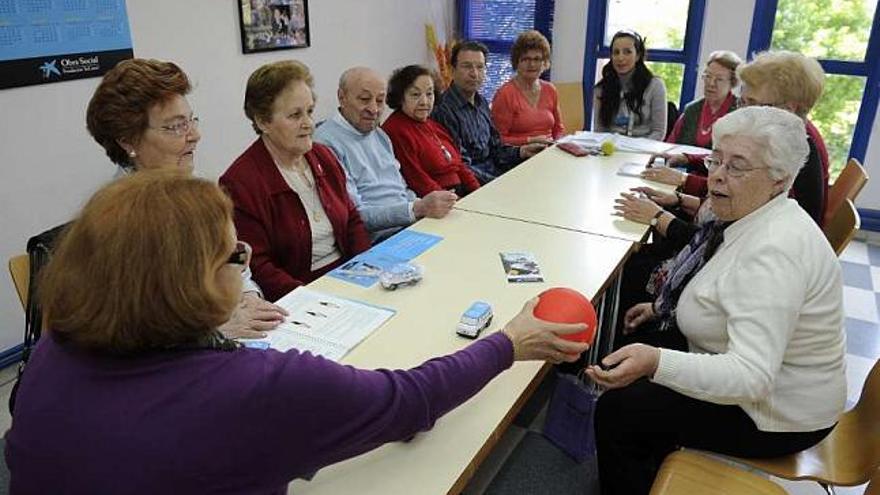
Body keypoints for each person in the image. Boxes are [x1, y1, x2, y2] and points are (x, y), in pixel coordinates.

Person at [5, 170, 592, 493]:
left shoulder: (54, 352)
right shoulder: (256, 387)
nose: (244, 257)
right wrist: (509, 343)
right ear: (191, 288)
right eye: (232, 255)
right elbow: (410, 400)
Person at [588, 107, 845, 495]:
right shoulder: (755, 215)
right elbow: (720, 286)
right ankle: (649, 461)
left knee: (619, 410)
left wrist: (657, 362)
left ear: (780, 180)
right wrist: (661, 311)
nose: (718, 176)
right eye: (716, 159)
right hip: (763, 380)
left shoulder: (775, 250)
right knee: (639, 347)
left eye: (738, 167)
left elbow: (752, 378)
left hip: (778, 414)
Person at [85, 58, 287, 339]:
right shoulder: (117, 222)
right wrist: (214, 331)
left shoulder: (195, 193)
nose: (195, 135)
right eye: (176, 126)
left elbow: (235, 264)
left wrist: (250, 296)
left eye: (191, 120)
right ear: (128, 141)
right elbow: (130, 326)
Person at [220, 60, 371, 302]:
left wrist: (367, 270)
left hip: (349, 280)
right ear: (262, 122)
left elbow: (352, 220)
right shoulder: (240, 182)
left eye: (310, 111)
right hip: (298, 299)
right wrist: (313, 299)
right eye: (295, 115)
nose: (308, 124)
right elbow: (257, 265)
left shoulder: (323, 155)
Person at [644, 51, 828, 226]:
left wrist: (683, 183)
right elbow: (738, 168)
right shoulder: (785, 134)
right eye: (743, 102)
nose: (742, 112)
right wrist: (688, 160)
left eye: (753, 105)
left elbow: (737, 193)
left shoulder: (798, 152)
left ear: (789, 109)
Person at [314, 67, 456, 242]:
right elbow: (354, 215)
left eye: (380, 100)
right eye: (364, 99)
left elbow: (401, 189)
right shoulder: (325, 143)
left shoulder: (378, 134)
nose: (373, 109)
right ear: (342, 97)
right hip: (379, 239)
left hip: (411, 226)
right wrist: (416, 208)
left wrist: (424, 204)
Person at [433, 40, 546, 184]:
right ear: (452, 71)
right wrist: (497, 183)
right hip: (473, 184)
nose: (474, 73)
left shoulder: (482, 103)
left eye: (480, 67)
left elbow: (496, 148)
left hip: (494, 173)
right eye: (467, 66)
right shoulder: (443, 110)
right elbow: (460, 166)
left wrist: (522, 151)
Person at [382, 65, 481, 197]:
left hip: (460, 194)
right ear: (400, 97)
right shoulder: (395, 129)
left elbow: (460, 166)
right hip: (437, 200)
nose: (424, 102)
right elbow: (416, 179)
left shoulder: (432, 124)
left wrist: (478, 193)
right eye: (415, 94)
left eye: (429, 94)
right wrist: (451, 201)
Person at [491, 30, 564, 145]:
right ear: (516, 62)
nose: (532, 64)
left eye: (537, 59)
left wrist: (557, 143)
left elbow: (558, 129)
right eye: (526, 59)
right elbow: (497, 140)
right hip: (518, 156)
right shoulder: (505, 94)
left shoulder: (550, 90)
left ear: (544, 62)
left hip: (548, 152)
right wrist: (529, 141)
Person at [593, 30, 667, 140]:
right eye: (616, 52)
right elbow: (599, 131)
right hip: (611, 151)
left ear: (638, 55)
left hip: (643, 151)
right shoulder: (601, 88)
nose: (620, 58)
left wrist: (635, 150)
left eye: (627, 52)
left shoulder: (655, 86)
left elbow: (659, 132)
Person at [666, 50, 742, 147]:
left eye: (719, 79)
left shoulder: (738, 113)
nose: (711, 83)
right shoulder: (691, 109)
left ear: (732, 82)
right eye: (708, 76)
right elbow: (670, 144)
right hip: (681, 162)